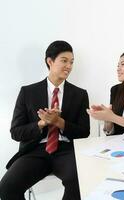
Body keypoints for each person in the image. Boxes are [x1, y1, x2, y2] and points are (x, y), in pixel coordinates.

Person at [0, 41, 90, 200]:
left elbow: (84, 132)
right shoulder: (27, 92)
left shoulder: (80, 94)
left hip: (66, 150)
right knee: (7, 187)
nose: (69, 66)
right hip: (35, 150)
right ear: (50, 61)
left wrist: (59, 122)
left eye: (71, 62)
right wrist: (41, 123)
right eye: (64, 60)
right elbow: (16, 132)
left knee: (79, 181)